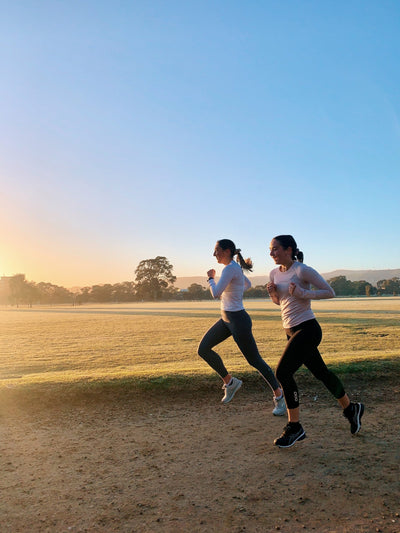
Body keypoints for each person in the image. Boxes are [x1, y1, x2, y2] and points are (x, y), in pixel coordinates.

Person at [267, 235, 364, 448]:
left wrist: (303, 293)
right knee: (321, 373)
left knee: (283, 373)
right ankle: (351, 409)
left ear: (288, 249)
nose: (271, 253)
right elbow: (281, 303)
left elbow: (330, 292)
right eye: (270, 249)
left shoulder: (302, 270)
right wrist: (274, 295)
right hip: (290, 330)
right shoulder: (274, 273)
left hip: (308, 329)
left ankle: (295, 427)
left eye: (275, 249)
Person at [198, 239, 286, 415]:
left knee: (254, 360)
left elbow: (215, 293)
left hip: (238, 320)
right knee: (203, 349)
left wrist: (210, 278)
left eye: (217, 250)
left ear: (227, 250)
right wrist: (235, 289)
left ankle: (280, 397)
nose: (214, 254)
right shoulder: (233, 269)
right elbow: (247, 284)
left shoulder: (231, 268)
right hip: (226, 319)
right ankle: (230, 382)